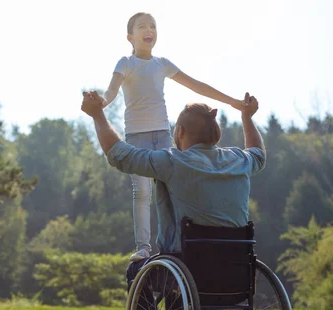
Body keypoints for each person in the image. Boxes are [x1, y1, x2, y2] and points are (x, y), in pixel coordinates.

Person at [102, 12, 246, 261]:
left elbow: (197, 85)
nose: (149, 30)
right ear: (130, 37)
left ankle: (174, 243)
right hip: (136, 135)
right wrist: (100, 104)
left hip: (163, 135)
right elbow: (111, 90)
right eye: (142, 26)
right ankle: (143, 247)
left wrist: (233, 102)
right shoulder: (126, 63)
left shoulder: (162, 64)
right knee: (142, 192)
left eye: (153, 26)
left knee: (169, 190)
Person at [81, 90, 265, 254]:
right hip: (235, 266)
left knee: (134, 272)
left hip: (186, 264)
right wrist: (247, 117)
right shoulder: (239, 160)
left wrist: (97, 115)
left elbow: (121, 156)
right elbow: (258, 154)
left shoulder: (173, 162)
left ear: (180, 131)